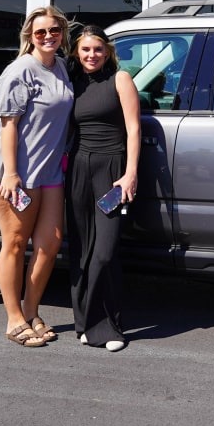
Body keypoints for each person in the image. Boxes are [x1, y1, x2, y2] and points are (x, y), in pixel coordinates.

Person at [0, 6, 73, 347]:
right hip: (15, 175)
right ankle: (13, 319)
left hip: (50, 172)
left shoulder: (62, 67)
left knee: (49, 245)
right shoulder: (20, 71)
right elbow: (9, 124)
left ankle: (32, 311)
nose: (48, 37)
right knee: (16, 243)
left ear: (62, 33)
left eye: (54, 31)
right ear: (30, 36)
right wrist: (11, 172)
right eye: (41, 32)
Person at [66, 26, 140, 351]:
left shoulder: (120, 80)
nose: (91, 55)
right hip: (79, 169)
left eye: (97, 49)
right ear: (77, 53)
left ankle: (108, 326)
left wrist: (130, 173)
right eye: (85, 50)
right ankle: (84, 323)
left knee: (105, 251)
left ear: (107, 51)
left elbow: (134, 128)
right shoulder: (74, 84)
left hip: (111, 172)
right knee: (81, 250)